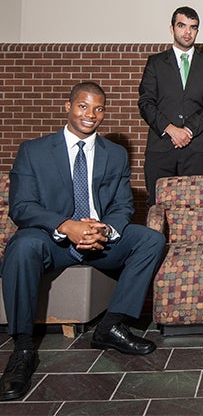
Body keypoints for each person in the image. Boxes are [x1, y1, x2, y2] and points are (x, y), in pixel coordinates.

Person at [0, 82, 166, 401]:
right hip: (54, 241)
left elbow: (123, 206)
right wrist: (67, 226)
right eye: (83, 106)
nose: (91, 115)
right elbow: (21, 207)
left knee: (149, 240)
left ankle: (111, 326)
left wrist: (103, 230)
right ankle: (22, 349)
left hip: (98, 240)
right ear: (68, 106)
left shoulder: (114, 154)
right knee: (22, 245)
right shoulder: (33, 151)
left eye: (98, 109)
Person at [138, 6, 203, 205]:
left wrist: (188, 130)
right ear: (172, 28)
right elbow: (146, 102)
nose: (187, 32)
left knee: (195, 206)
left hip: (196, 148)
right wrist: (171, 129)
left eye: (193, 27)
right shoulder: (155, 63)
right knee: (157, 205)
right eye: (182, 25)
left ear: (197, 31)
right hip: (161, 146)